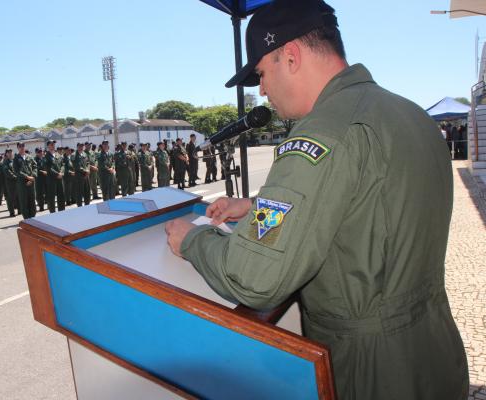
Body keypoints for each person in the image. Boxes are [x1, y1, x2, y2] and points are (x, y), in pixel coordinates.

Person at [165, 1, 468, 399]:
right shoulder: (407, 113)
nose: (263, 90)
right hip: (433, 350)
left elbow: (254, 278)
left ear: (289, 56)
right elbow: (370, 209)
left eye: (261, 73)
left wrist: (191, 240)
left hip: (370, 371)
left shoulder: (321, 132)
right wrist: (255, 207)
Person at [13, 142, 37, 219]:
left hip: (31, 182)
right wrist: (27, 177)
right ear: (17, 148)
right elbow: (17, 171)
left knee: (32, 200)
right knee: (24, 201)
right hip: (22, 184)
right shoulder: (16, 159)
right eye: (20, 146)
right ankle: (27, 219)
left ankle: (33, 217)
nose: (22, 147)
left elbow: (35, 166)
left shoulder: (29, 157)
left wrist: (32, 176)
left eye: (23, 146)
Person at [44, 140, 65, 212]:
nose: (53, 145)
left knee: (61, 195)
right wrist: (57, 174)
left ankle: (62, 211)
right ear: (48, 146)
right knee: (51, 197)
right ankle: (52, 213)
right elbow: (48, 168)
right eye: (51, 144)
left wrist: (61, 172)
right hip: (52, 179)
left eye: (53, 144)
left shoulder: (58, 154)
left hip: (59, 178)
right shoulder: (46, 156)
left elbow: (63, 165)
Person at [2, 149, 18, 217]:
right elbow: (8, 172)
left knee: (17, 196)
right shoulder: (5, 162)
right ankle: (12, 212)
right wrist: (15, 176)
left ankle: (19, 210)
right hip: (10, 183)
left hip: (16, 181)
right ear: (6, 154)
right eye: (8, 153)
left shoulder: (14, 161)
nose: (10, 154)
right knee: (10, 198)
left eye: (11, 152)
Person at [34, 148, 47, 212]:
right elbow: (35, 169)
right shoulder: (35, 159)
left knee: (46, 192)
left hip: (45, 178)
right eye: (39, 152)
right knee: (40, 193)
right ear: (36, 153)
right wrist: (42, 172)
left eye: (41, 151)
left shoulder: (44, 158)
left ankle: (47, 204)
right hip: (39, 179)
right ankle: (41, 206)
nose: (40, 153)